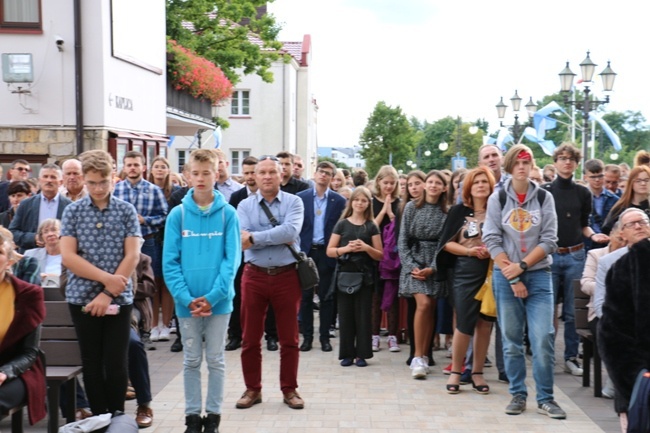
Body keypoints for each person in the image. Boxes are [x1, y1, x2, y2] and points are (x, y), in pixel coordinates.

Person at [482, 144, 565, 419]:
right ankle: (518, 393)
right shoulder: (498, 198)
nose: (522, 166)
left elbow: (550, 240)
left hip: (539, 274)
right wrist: (514, 273)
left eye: (526, 162)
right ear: (509, 166)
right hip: (506, 276)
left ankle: (546, 398)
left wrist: (524, 265)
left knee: (543, 338)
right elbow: (492, 238)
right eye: (517, 162)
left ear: (532, 166)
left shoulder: (544, 198)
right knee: (511, 339)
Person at [163, 148, 241, 433]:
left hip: (219, 303)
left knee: (216, 360)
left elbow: (231, 261)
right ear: (187, 174)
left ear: (216, 173)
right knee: (192, 359)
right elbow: (169, 262)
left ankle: (214, 418)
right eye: (194, 173)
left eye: (206, 173)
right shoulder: (178, 215)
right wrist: (185, 298)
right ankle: (193, 417)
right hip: (187, 304)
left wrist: (212, 297)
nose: (200, 178)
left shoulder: (228, 214)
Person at [60, 149, 141, 417]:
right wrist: (106, 279)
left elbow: (133, 254)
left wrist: (108, 292)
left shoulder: (126, 210)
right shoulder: (73, 212)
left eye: (103, 182)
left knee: (116, 362)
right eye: (92, 182)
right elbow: (69, 256)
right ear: (84, 179)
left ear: (113, 178)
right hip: (82, 296)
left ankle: (116, 415)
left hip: (118, 297)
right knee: (92, 363)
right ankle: (99, 416)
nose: (97, 188)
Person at [235, 155, 305, 410]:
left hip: (287, 275)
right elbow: (240, 239)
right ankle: (252, 389)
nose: (266, 176)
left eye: (271, 172)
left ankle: (289, 389)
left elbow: (290, 232)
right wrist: (270, 237)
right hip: (254, 275)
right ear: (254, 175)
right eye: (261, 172)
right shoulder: (244, 206)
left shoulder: (295, 202)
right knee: (250, 339)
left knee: (289, 339)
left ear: (281, 175)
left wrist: (254, 237)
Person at [540, 144, 608, 378]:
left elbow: (584, 224)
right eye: (562, 158)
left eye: (571, 159)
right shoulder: (545, 191)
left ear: (577, 163)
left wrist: (593, 235)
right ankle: (546, 356)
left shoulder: (583, 193)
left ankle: (570, 356)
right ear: (556, 161)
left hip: (575, 254)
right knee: (547, 309)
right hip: (550, 255)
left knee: (571, 311)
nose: (567, 162)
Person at [439, 167, 494, 393]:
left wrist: (492, 251)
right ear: (468, 187)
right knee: (463, 322)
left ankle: (477, 372)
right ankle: (456, 371)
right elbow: (445, 244)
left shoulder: (497, 210)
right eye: (476, 182)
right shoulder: (458, 211)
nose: (481, 185)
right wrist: (470, 252)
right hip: (464, 269)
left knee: (485, 322)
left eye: (485, 181)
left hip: (490, 270)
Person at [598, 209, 650, 433]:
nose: (638, 226)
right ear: (621, 234)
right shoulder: (618, 267)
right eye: (631, 224)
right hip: (635, 363)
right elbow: (612, 327)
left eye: (642, 221)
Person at [113, 151, 169, 341]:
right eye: (129, 165)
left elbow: (164, 216)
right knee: (125, 281)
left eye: (136, 164)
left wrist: (145, 220)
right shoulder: (117, 190)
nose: (132, 168)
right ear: (124, 167)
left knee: (149, 283)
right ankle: (129, 323)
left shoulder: (153, 190)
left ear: (143, 167)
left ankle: (151, 325)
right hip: (122, 245)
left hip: (148, 241)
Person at [226, 157, 279, 352]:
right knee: (238, 296)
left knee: (271, 298)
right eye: (246, 173)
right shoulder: (237, 197)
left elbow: (283, 232)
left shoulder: (274, 197)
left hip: (270, 255)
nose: (249, 177)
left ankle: (271, 336)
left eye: (251, 173)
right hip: (241, 255)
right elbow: (237, 231)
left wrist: (256, 237)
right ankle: (235, 335)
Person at [399, 170, 448, 379]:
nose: (434, 185)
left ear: (445, 187)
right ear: (425, 185)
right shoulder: (411, 207)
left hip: (436, 262)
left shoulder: (447, 211)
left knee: (431, 308)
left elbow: (446, 242)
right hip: (414, 262)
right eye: (430, 182)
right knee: (424, 304)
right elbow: (402, 240)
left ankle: (426, 355)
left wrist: (434, 267)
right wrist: (411, 266)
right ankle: (417, 356)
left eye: (439, 182)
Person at [326, 186, 383, 367]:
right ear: (351, 202)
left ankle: (362, 354)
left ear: (368, 204)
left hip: (365, 276)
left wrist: (366, 248)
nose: (360, 203)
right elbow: (330, 250)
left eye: (364, 200)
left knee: (363, 315)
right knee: (345, 315)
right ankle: (347, 353)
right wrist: (346, 249)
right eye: (357, 200)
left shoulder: (372, 226)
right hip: (345, 274)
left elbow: (380, 255)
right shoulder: (342, 224)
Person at [296, 162, 346, 352]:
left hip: (327, 252)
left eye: (328, 173)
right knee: (306, 296)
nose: (323, 176)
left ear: (332, 178)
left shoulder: (338, 201)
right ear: (315, 174)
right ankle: (307, 337)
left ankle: (325, 337)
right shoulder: (301, 198)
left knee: (326, 297)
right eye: (321, 172)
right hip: (306, 252)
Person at [0, 232, 46, 426]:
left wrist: (4, 373)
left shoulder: (28, 294)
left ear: (9, 262)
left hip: (16, 370)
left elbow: (29, 352)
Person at [146, 156, 178, 346]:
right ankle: (153, 325)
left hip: (168, 240)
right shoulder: (147, 189)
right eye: (156, 166)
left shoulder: (173, 192)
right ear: (151, 170)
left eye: (163, 167)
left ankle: (165, 324)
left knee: (166, 283)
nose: (159, 170)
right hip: (151, 240)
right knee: (153, 283)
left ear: (168, 170)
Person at [371, 165, 401, 352]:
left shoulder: (400, 203)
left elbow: (400, 228)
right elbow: (370, 226)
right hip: (375, 251)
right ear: (378, 182)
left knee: (393, 295)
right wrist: (384, 211)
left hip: (393, 255)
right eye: (385, 182)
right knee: (375, 294)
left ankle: (392, 335)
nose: (389, 186)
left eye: (392, 183)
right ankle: (373, 335)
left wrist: (392, 213)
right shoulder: (371, 201)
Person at [9, 163, 72, 252]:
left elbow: (75, 235)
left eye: (53, 177)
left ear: (61, 182)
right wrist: (33, 238)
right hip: (31, 256)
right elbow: (13, 232)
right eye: (45, 176)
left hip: (60, 257)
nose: (49, 180)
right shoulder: (26, 204)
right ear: (39, 180)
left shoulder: (69, 206)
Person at [602, 165, 650, 234]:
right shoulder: (621, 207)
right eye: (638, 181)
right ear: (631, 183)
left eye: (646, 180)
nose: (643, 183)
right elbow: (607, 230)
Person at [583, 159, 619, 249]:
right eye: (593, 177)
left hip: (607, 242)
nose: (597, 180)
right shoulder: (580, 197)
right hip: (586, 243)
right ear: (585, 177)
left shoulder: (614, 199)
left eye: (600, 176)